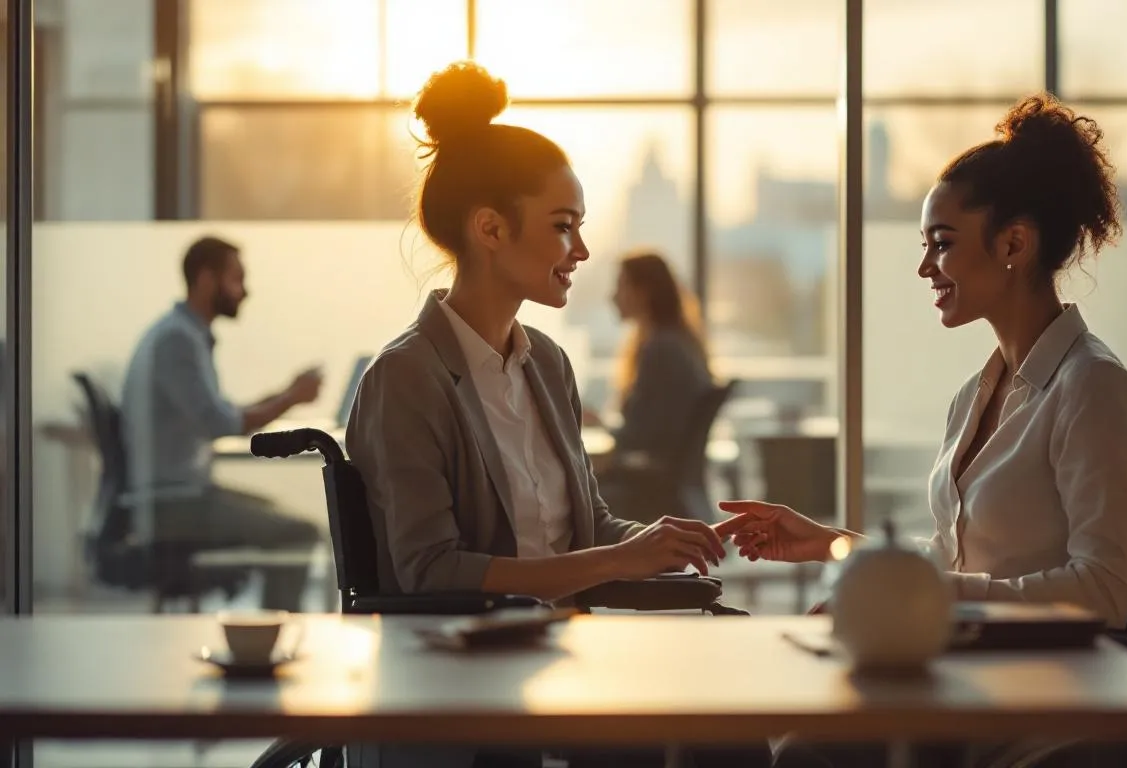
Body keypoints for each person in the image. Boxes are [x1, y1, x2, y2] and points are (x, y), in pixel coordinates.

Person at [717, 95, 1127, 766]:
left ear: (1014, 243)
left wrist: (926, 598)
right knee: (768, 726)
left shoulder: (1092, 390)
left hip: (1038, 702)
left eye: (941, 244)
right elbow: (961, 563)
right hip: (964, 676)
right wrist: (835, 547)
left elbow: (1104, 592)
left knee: (804, 751)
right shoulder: (979, 395)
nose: (925, 269)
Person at [343, 61, 766, 768]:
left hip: (560, 662)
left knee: (733, 727)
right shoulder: (406, 378)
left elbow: (586, 529)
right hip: (468, 683)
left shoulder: (546, 362)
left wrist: (666, 539)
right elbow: (429, 571)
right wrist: (616, 558)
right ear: (490, 229)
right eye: (563, 226)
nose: (582, 251)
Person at [121, 236, 325, 612]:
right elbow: (221, 423)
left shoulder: (181, 335)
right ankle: (271, 639)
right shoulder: (177, 341)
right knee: (298, 533)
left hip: (179, 494)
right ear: (205, 279)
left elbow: (218, 412)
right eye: (237, 279)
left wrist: (284, 393)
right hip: (173, 504)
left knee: (278, 511)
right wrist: (292, 397)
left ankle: (270, 632)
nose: (245, 292)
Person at [585, 250, 714, 518]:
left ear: (643, 292)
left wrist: (597, 423)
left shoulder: (660, 350)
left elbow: (641, 437)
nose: (613, 296)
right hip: (668, 485)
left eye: (621, 286)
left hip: (649, 487)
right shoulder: (678, 343)